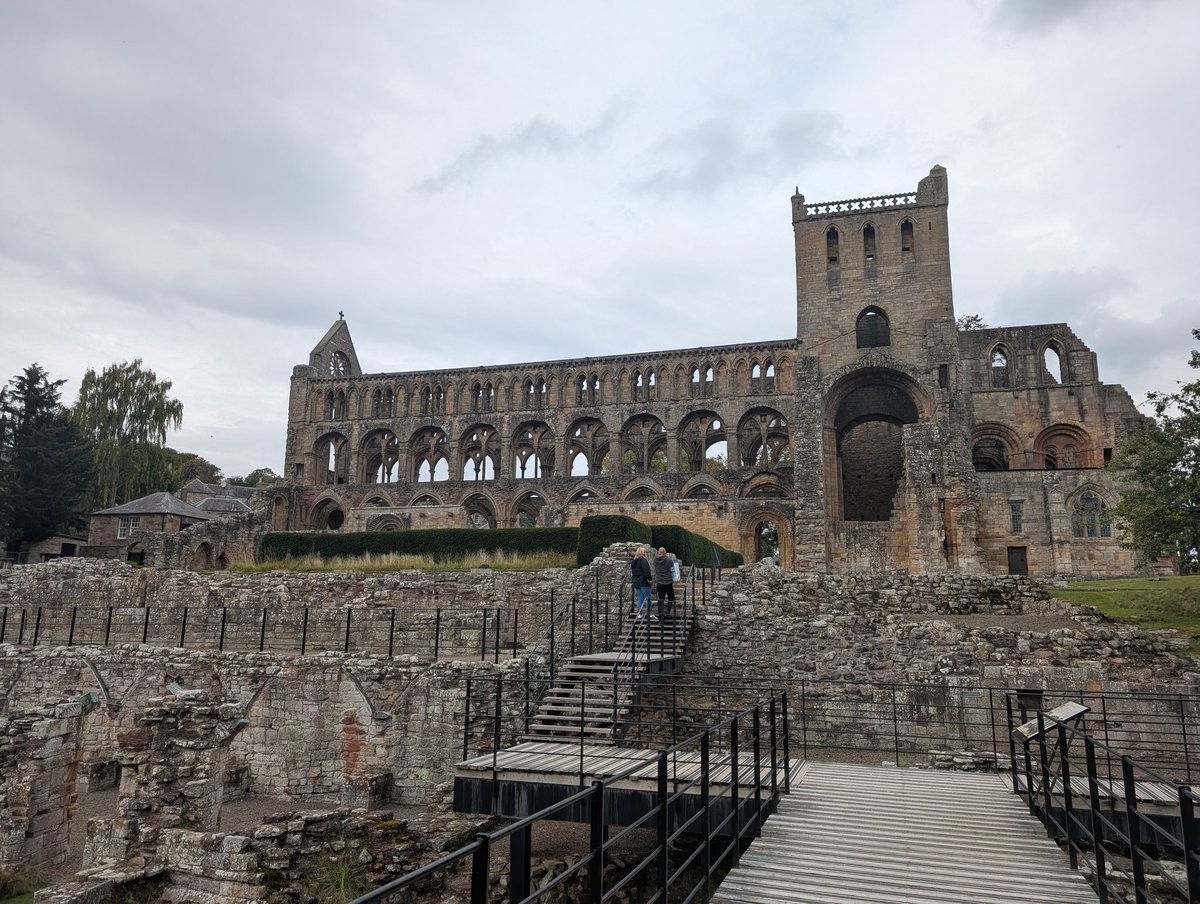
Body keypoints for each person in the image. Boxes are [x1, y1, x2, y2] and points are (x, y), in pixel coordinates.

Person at [653, 547, 676, 617]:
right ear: (665, 552)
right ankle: (667, 610)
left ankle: (661, 615)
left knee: (660, 600)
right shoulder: (669, 560)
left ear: (658, 552)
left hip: (659, 583)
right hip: (668, 582)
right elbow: (672, 568)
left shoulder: (655, 561)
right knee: (671, 598)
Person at [631, 547, 653, 619]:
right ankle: (650, 614)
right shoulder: (643, 560)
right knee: (648, 598)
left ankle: (639, 614)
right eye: (644, 551)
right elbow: (646, 571)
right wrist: (650, 579)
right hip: (643, 581)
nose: (646, 553)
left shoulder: (634, 561)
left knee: (640, 598)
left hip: (636, 581)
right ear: (642, 553)